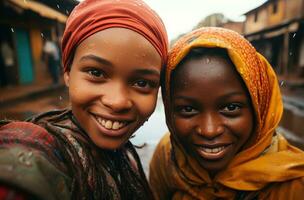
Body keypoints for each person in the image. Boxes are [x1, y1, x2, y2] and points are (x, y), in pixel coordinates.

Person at [0, 0, 168, 199]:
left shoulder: (126, 161)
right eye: (96, 72)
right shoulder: (37, 153)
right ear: (68, 71)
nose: (117, 101)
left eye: (141, 83)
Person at [149, 27, 304, 199]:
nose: (209, 130)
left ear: (259, 106)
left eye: (231, 108)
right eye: (188, 109)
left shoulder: (294, 184)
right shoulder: (167, 156)